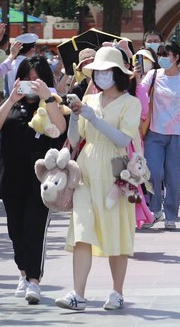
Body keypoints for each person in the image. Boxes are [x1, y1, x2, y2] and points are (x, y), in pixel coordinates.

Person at [56, 47, 142, 311]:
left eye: (106, 71)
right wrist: (74, 115)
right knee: (82, 229)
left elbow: (123, 139)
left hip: (115, 169)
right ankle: (77, 293)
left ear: (118, 74)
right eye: (97, 72)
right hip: (85, 170)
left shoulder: (131, 102)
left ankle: (117, 291)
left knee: (116, 230)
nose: (100, 76)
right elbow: (74, 139)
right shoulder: (89, 99)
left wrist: (92, 117)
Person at [0, 55, 66, 304]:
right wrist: (11, 99)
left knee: (34, 229)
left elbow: (60, 127)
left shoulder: (52, 104)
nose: (31, 85)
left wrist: (47, 95)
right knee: (15, 230)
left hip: (41, 179)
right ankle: (22, 273)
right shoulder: (12, 104)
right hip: (11, 175)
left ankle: (34, 280)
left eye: (36, 80)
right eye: (27, 80)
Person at [141, 41, 180, 229]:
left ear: (177, 57)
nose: (163, 58)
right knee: (154, 171)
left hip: (179, 134)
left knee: (174, 177)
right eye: (161, 54)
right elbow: (140, 93)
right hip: (155, 132)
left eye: (167, 54)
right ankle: (155, 209)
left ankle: (171, 215)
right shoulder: (153, 75)